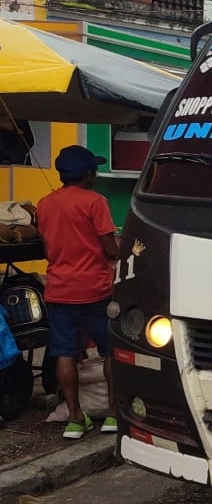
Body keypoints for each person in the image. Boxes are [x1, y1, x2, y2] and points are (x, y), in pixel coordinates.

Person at [37, 145, 119, 439]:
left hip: (59, 290)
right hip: (95, 290)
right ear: (87, 174)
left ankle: (74, 418)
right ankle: (112, 414)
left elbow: (48, 250)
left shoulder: (44, 204)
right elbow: (111, 248)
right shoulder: (95, 202)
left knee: (64, 353)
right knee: (111, 350)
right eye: (94, 170)